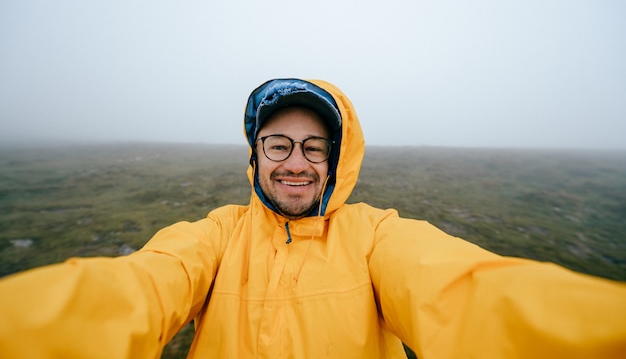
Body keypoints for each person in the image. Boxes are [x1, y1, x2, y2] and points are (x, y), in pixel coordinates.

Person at [0, 78, 625, 359]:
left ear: (335, 159)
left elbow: (470, 294)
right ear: (255, 156)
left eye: (313, 146)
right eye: (278, 144)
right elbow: (131, 290)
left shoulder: (377, 235)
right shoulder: (217, 235)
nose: (295, 163)